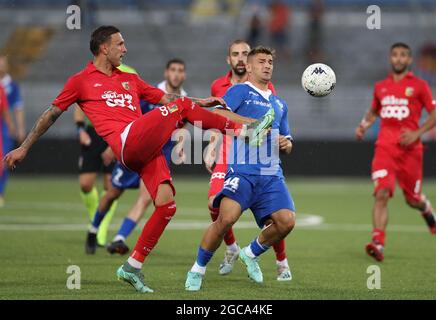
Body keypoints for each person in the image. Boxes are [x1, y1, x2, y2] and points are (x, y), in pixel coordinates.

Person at [4, 26, 273, 293]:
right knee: (183, 110)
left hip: (142, 149)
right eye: (119, 44)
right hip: (124, 142)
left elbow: (168, 98)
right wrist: (24, 147)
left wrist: (199, 101)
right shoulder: (80, 81)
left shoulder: (129, 79)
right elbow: (52, 113)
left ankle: (132, 267)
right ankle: (245, 130)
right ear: (103, 48)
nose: (125, 49)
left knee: (167, 205)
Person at [185, 46, 296, 291]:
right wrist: (250, 125)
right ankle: (197, 269)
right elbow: (219, 114)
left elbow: (288, 143)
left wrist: (285, 143)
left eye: (270, 62)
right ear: (251, 66)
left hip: (271, 173)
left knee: (286, 221)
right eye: (262, 61)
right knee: (225, 220)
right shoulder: (240, 91)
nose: (267, 65)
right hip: (242, 170)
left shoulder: (280, 104)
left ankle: (250, 253)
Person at [355, 42, 436, 262]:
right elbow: (373, 111)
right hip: (385, 147)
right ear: (390, 58)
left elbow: (435, 116)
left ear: (409, 60)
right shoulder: (381, 87)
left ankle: (426, 208)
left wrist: (417, 133)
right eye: (395, 55)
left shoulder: (420, 85)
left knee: (412, 200)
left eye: (403, 55)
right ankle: (378, 242)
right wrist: (364, 125)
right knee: (382, 193)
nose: (399, 59)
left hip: (411, 150)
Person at [101, 58, 188, 255]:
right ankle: (94, 228)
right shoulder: (151, 93)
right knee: (113, 193)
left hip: (157, 154)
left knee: (146, 198)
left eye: (180, 70)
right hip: (134, 148)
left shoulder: (184, 98)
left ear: (184, 75)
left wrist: (181, 145)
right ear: (166, 73)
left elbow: (182, 126)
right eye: (173, 70)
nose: (176, 74)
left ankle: (119, 238)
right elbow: (128, 117)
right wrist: (112, 145)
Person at [74, 104, 117, 249]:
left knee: (110, 186)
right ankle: (95, 217)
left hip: (114, 133)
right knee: (85, 185)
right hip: (92, 133)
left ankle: (102, 228)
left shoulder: (121, 82)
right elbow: (79, 105)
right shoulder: (89, 82)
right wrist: (80, 130)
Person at [0, 55, 24, 206]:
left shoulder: (12, 86)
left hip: (4, 128)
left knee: (4, 160)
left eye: (3, 63)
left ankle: (0, 192)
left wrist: (19, 128)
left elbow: (16, 108)